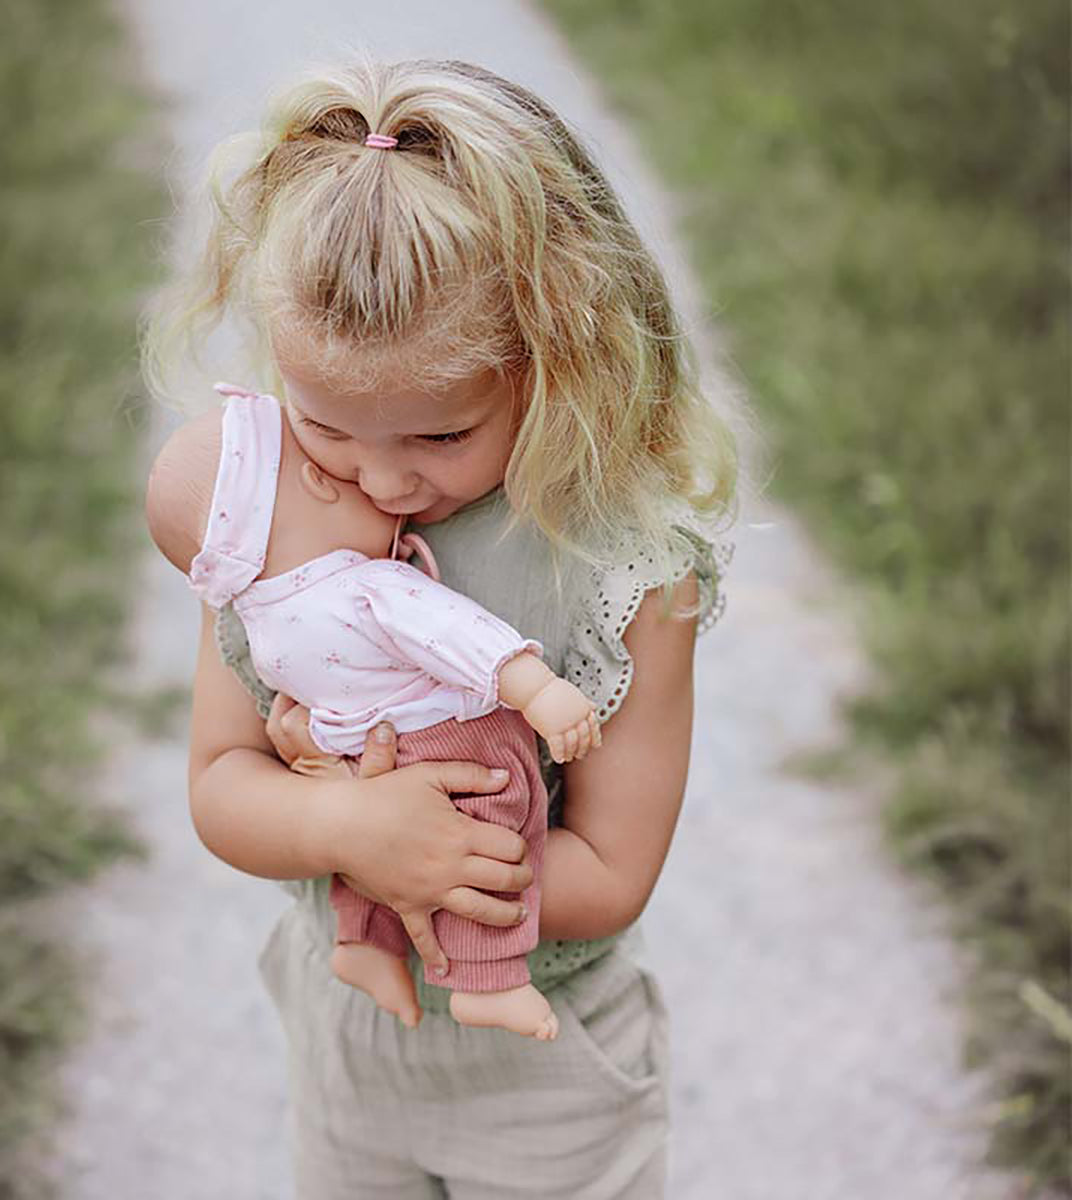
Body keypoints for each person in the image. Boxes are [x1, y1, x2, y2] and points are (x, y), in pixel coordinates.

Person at [140, 54, 738, 1200]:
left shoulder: (630, 571)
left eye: (439, 437)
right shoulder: (266, 518)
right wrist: (345, 829)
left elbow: (613, 871)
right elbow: (221, 778)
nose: (381, 480)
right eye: (327, 428)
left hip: (548, 1069)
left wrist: (430, 857)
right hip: (348, 1040)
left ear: (559, 357)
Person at [149, 379, 602, 1037]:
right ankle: (489, 978)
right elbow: (455, 634)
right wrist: (536, 688)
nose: (386, 491)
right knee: (500, 808)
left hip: (360, 754)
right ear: (318, 481)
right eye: (335, 445)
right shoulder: (371, 584)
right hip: (447, 742)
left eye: (441, 435)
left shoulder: (263, 625)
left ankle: (360, 943)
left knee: (372, 804)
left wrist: (346, 805)